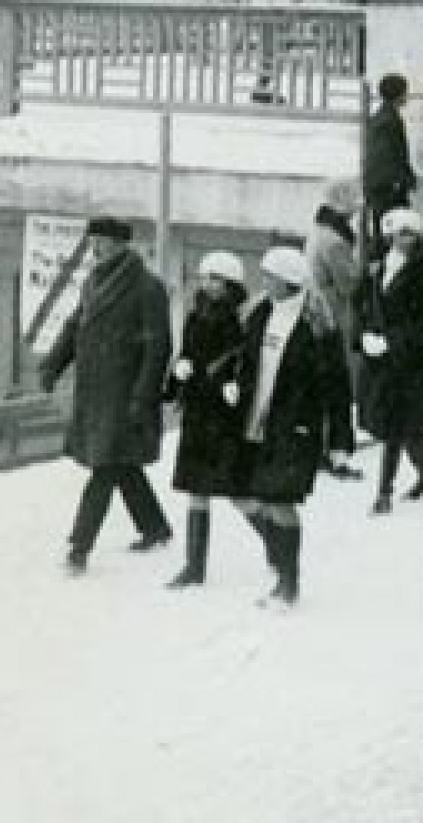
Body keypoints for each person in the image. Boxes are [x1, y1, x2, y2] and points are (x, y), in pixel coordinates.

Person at [40, 215, 173, 571]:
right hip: (97, 393)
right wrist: (51, 366)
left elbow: (157, 348)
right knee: (122, 464)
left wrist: (142, 397)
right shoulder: (92, 283)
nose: (94, 248)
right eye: (92, 241)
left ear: (120, 245)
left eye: (101, 241)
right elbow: (73, 327)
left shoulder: (148, 288)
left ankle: (78, 548)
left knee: (104, 468)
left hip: (125, 396)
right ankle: (155, 527)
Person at [230, 247, 327, 606]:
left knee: (280, 500)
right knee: (242, 495)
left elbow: (332, 380)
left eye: (270, 275)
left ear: (288, 280)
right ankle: (278, 557)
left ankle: (288, 584)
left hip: (293, 424)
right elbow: (246, 358)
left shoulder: (313, 321)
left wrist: (338, 435)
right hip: (253, 417)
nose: (264, 281)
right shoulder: (259, 314)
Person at [161, 253, 248, 591]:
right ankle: (194, 567)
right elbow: (187, 353)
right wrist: (179, 372)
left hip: (224, 414)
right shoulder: (195, 316)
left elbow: (246, 362)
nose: (208, 284)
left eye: (216, 278)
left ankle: (277, 548)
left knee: (239, 492)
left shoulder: (240, 321)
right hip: (199, 412)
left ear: (231, 284)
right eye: (205, 277)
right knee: (196, 489)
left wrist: (236, 385)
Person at [357, 209, 423, 513]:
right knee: (401, 428)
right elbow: (363, 302)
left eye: (410, 233)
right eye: (399, 233)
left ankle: (384, 493)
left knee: (400, 427)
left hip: (410, 361)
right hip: (382, 357)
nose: (404, 239)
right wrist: (364, 335)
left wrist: (391, 342)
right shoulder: (379, 266)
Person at [304, 180, 363, 478]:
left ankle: (322, 447)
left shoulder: (317, 233)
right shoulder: (335, 242)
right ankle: (334, 450)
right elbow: (351, 283)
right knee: (337, 386)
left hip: (317, 316)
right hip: (333, 317)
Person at [362, 75, 416, 227]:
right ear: (398, 94)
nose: (407, 96)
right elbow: (394, 154)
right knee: (396, 227)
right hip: (387, 187)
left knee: (387, 227)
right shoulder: (390, 120)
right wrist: (402, 179)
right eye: (405, 92)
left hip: (381, 185)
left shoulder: (381, 117)